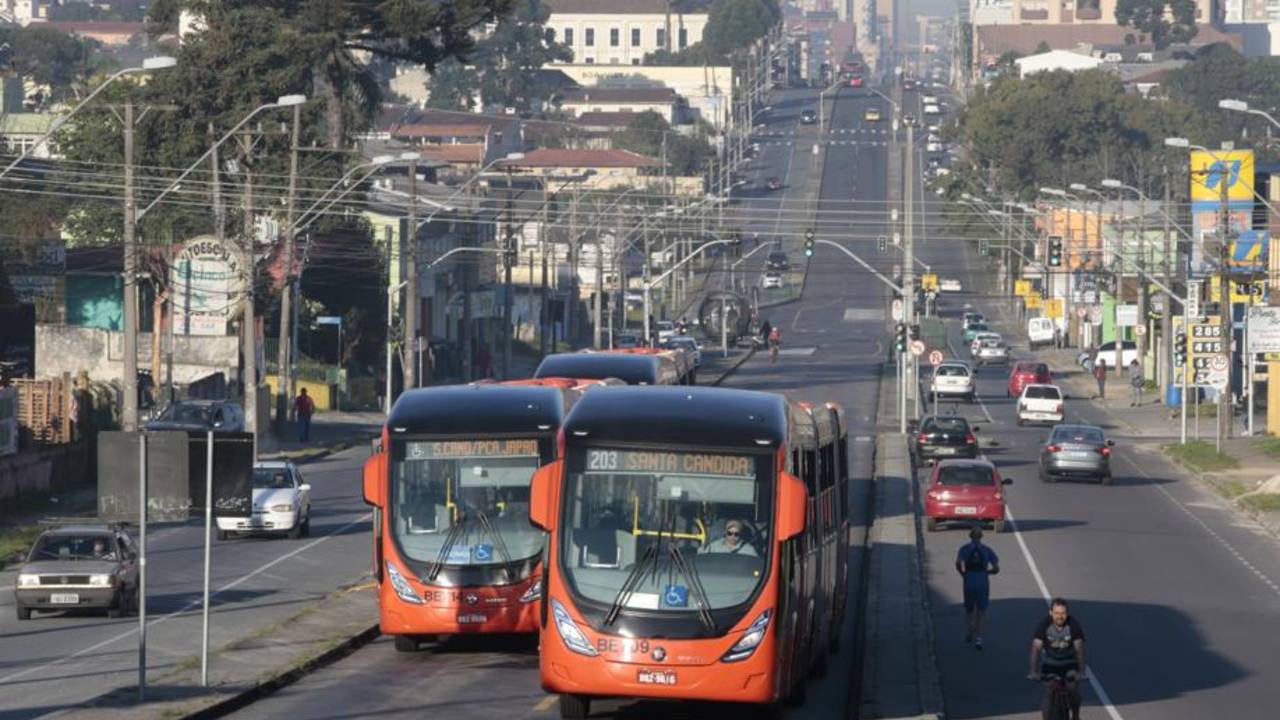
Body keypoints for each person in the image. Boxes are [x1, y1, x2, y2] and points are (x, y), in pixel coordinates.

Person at [1029, 598, 1087, 720]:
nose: (1060, 617)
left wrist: (1081, 672)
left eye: (1063, 613)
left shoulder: (1073, 625)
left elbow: (1079, 648)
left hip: (1069, 663)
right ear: (1051, 613)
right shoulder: (1044, 625)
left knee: (1072, 689)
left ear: (1067, 613)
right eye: (1056, 613)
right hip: (1050, 664)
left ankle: (1075, 716)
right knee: (1049, 691)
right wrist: (1034, 672)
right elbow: (1036, 648)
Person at [954, 526, 999, 649]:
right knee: (981, 610)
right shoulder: (987, 550)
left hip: (969, 580)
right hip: (982, 581)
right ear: (981, 537)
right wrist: (988, 572)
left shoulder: (964, 549)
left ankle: (969, 630)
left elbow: (958, 563)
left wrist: (962, 573)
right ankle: (979, 639)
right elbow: (996, 568)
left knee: (969, 608)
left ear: (970, 536)